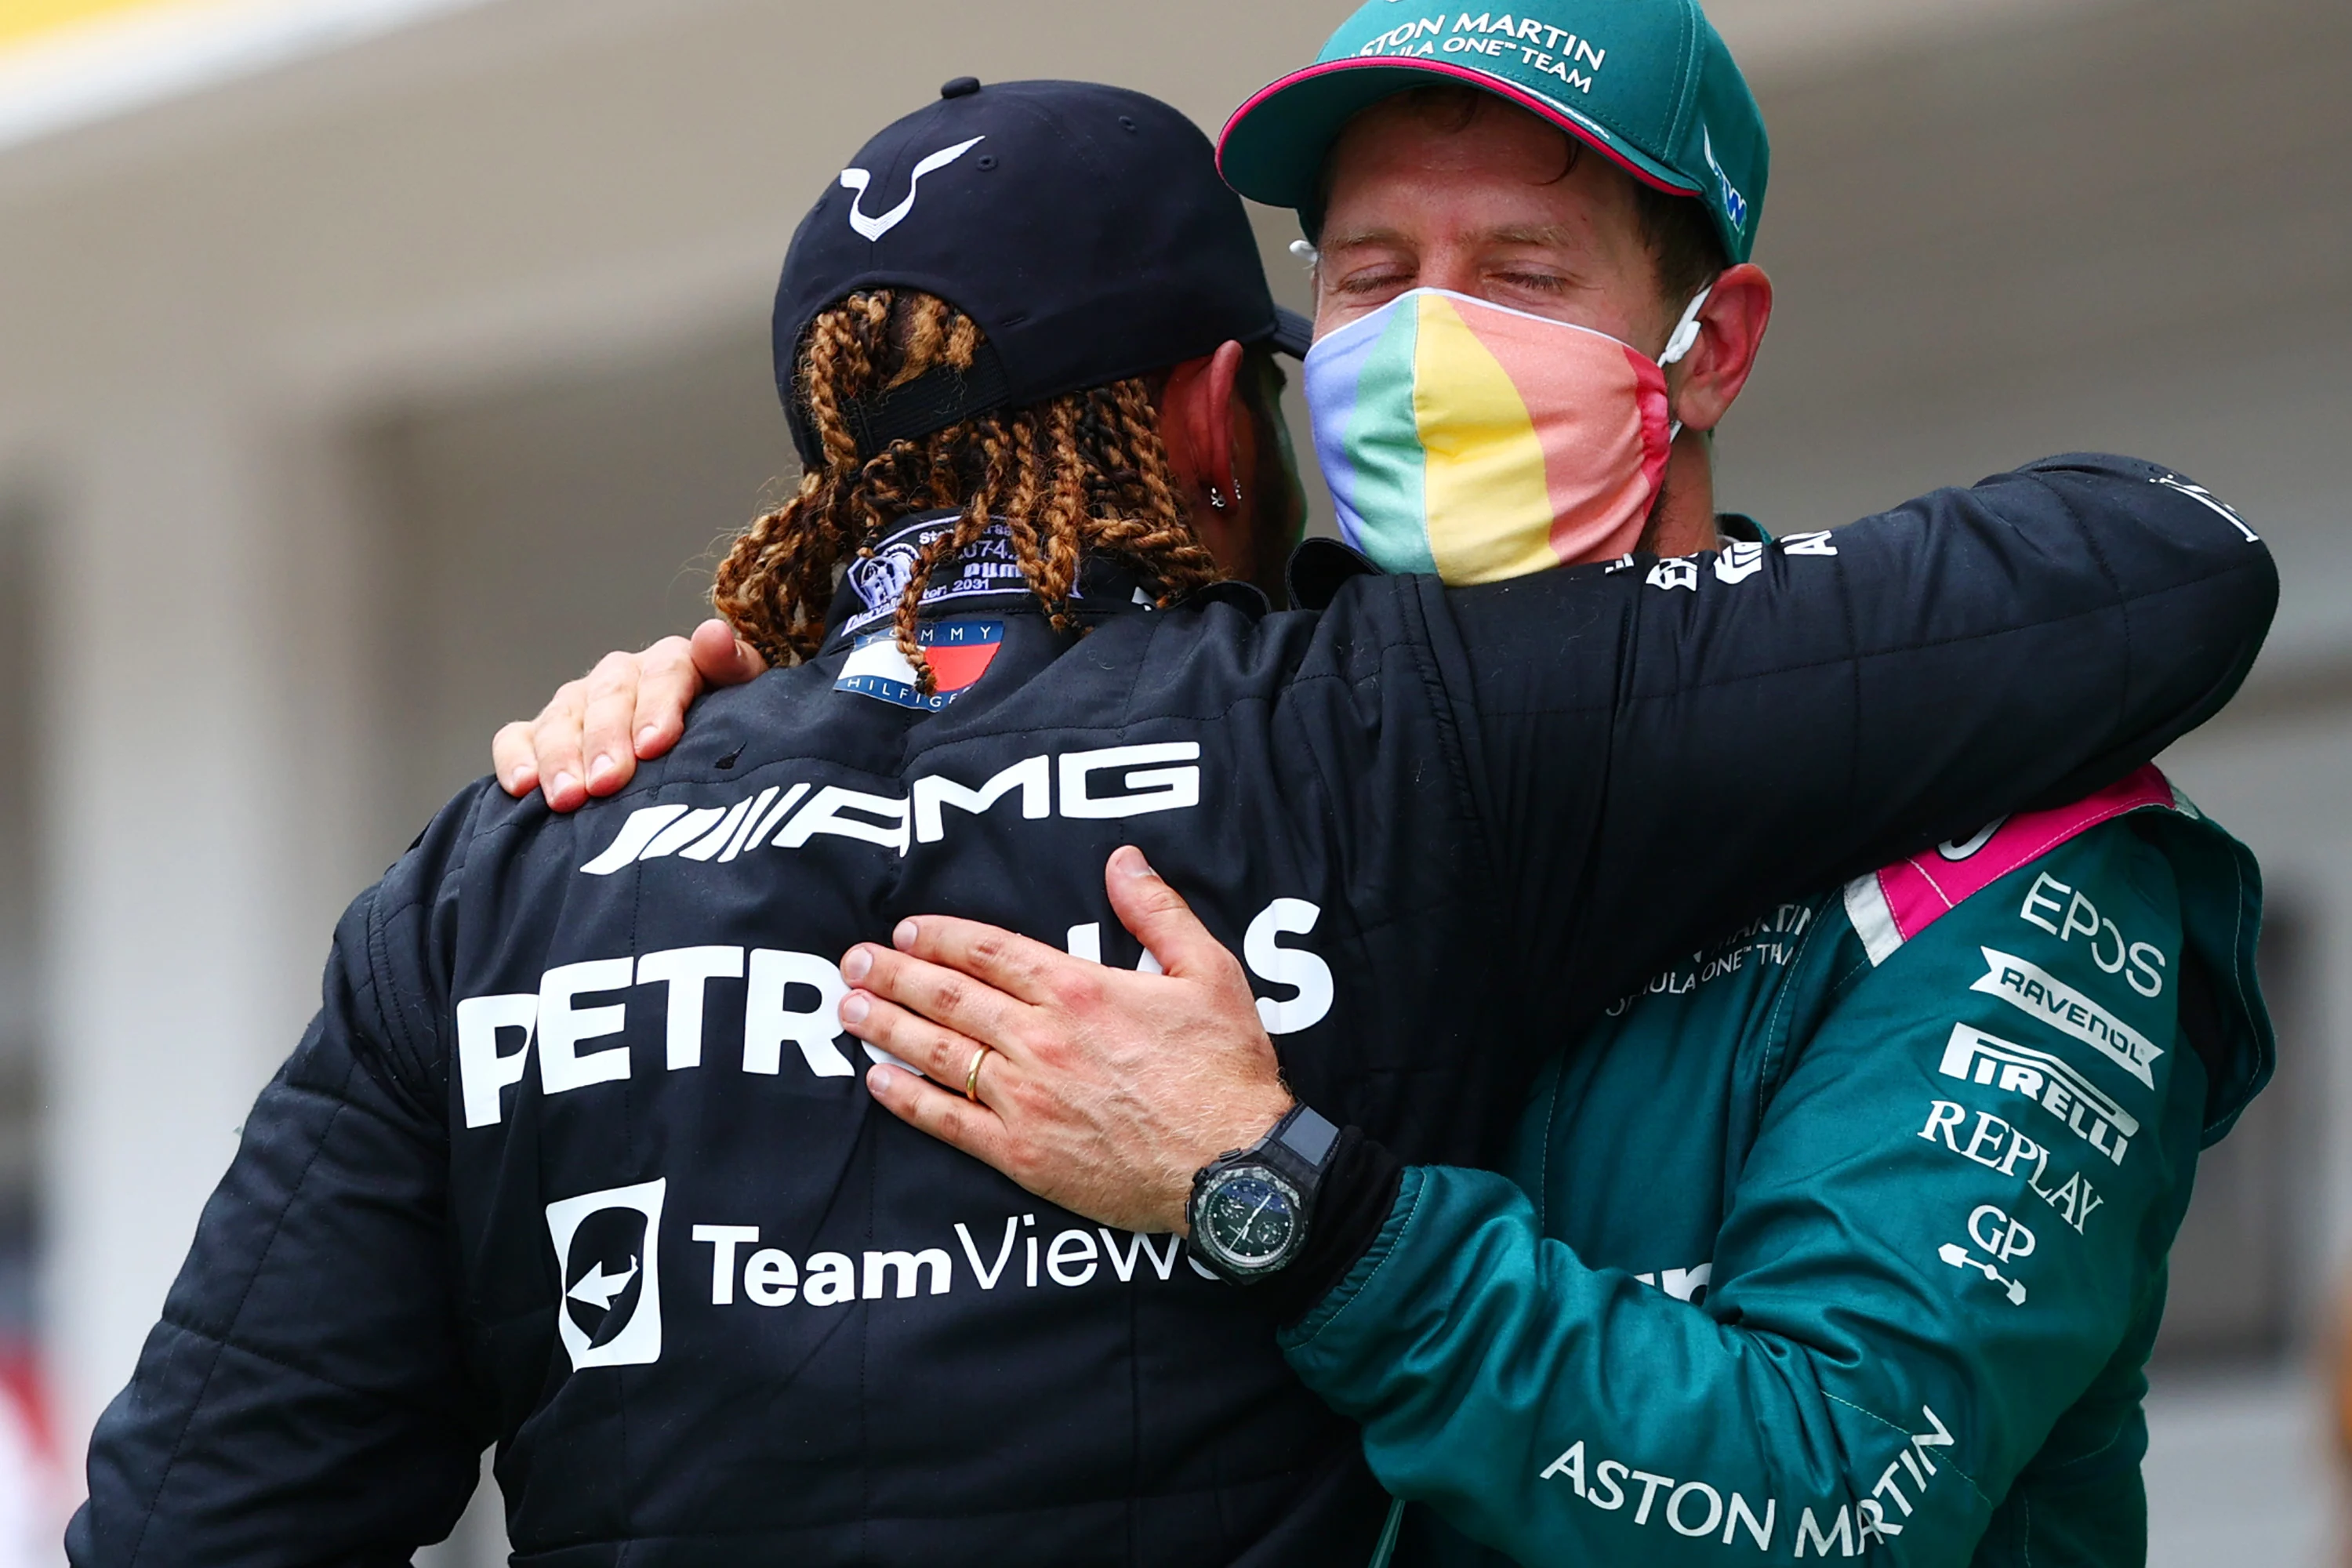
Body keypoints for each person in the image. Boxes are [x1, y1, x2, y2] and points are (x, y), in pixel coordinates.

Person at [74, 74, 2271, 1568]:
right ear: (1233, 408)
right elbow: (2156, 572)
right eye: (1369, 292)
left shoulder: (496, 869)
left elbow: (194, 1530)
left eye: (1509, 274)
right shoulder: (1391, 728)